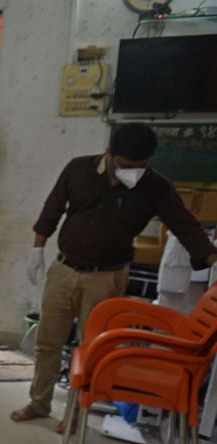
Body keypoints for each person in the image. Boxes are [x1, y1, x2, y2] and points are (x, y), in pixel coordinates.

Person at [11, 123, 217, 423]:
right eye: (125, 165)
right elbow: (52, 208)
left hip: (106, 277)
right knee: (47, 341)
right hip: (65, 270)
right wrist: (36, 251)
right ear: (109, 154)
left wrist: (212, 258)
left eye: (141, 166)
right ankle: (39, 403)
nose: (133, 171)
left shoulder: (155, 186)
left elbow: (185, 225)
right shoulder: (78, 169)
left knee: (93, 348)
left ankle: (77, 417)